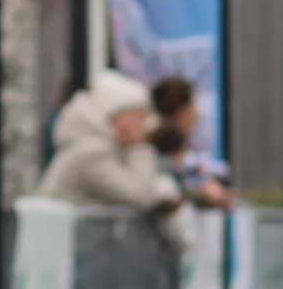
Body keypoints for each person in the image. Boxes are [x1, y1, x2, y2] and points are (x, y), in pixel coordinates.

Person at [37, 71, 183, 232]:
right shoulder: (93, 152)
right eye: (140, 116)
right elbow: (139, 195)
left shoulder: (98, 147)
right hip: (60, 240)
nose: (145, 124)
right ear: (119, 115)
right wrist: (140, 145)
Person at [149, 73, 233, 209]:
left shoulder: (180, 153)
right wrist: (201, 195)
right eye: (193, 105)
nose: (197, 112)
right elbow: (170, 193)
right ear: (182, 112)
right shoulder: (161, 152)